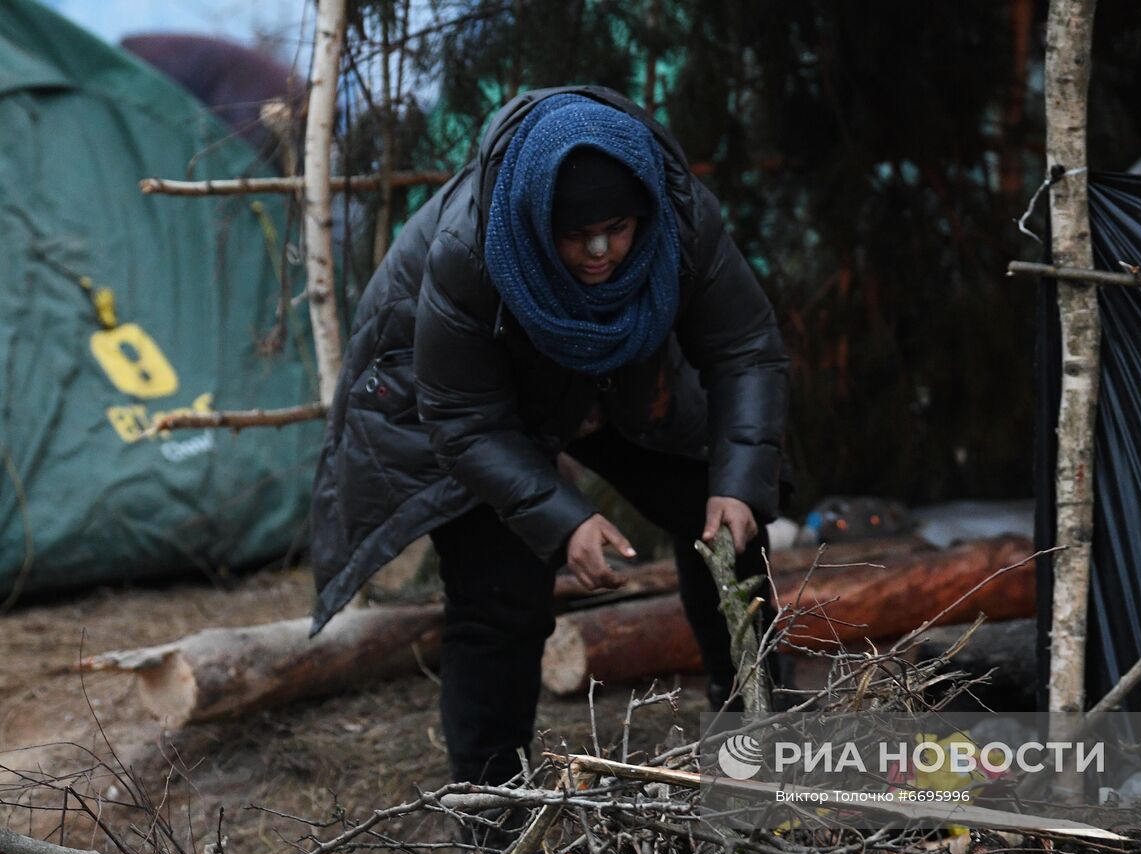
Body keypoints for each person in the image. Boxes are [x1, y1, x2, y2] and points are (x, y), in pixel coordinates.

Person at [308, 85, 790, 789]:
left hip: (612, 382)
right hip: (475, 406)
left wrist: (739, 484)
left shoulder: (681, 216)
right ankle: (492, 807)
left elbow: (746, 348)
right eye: (575, 234)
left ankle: (760, 737)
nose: (599, 251)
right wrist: (563, 521)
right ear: (534, 220)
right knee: (500, 595)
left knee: (723, 520)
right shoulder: (468, 250)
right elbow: (462, 419)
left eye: (617, 229)